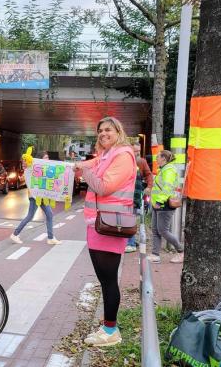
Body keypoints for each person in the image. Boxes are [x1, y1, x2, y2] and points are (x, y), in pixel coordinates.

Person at [74, 116, 136, 347]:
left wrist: (83, 170)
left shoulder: (123, 156)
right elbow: (90, 165)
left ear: (118, 131)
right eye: (100, 130)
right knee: (104, 279)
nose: (103, 133)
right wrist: (77, 167)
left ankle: (111, 331)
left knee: (109, 280)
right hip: (99, 224)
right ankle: (107, 326)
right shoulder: (106, 156)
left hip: (111, 226)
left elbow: (103, 186)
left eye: (108, 129)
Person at [9, 151, 60, 245]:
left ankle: (51, 237)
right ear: (40, 159)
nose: (47, 159)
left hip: (42, 196)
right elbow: (26, 165)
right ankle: (15, 234)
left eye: (48, 157)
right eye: (45, 157)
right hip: (34, 196)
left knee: (49, 214)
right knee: (30, 216)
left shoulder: (46, 168)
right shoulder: (32, 167)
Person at [149, 150, 183, 264]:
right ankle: (155, 254)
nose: (156, 159)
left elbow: (167, 188)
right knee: (155, 230)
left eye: (158, 157)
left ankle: (181, 251)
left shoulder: (169, 170)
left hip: (163, 204)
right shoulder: (163, 169)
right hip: (157, 204)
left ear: (163, 158)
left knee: (163, 231)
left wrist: (158, 201)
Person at [125, 143, 153, 253]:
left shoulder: (141, 162)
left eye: (138, 150)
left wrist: (149, 187)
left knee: (129, 219)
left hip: (134, 195)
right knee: (129, 218)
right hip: (126, 195)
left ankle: (130, 243)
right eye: (135, 150)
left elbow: (148, 174)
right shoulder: (124, 161)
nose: (137, 153)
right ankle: (129, 241)